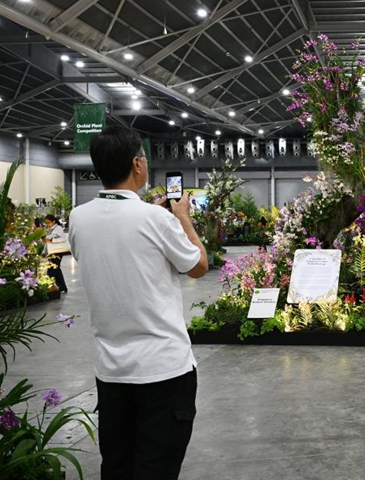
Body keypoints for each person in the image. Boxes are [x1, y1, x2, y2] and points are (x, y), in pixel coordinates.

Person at [69, 126, 208, 480]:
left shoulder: (77, 218)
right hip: (163, 371)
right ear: (137, 165)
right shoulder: (157, 218)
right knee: (156, 468)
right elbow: (198, 266)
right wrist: (182, 218)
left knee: (117, 467)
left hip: (111, 372)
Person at [43, 214, 68, 293]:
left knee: (52, 269)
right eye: (46, 223)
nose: (47, 224)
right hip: (52, 252)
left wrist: (52, 241)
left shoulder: (58, 228)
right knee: (56, 269)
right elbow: (46, 243)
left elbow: (63, 239)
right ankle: (62, 286)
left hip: (57, 252)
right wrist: (44, 252)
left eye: (49, 222)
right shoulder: (50, 229)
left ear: (54, 221)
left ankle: (50, 287)